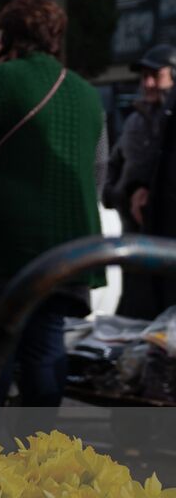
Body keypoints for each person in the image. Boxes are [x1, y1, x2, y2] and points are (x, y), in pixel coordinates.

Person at [0, 0, 106, 406]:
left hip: (3, 243)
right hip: (67, 250)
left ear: (8, 36)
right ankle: (40, 458)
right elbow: (97, 168)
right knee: (46, 349)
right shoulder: (88, 95)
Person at [105, 45, 176, 318]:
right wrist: (118, 193)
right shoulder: (135, 120)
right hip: (134, 230)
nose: (147, 84)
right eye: (143, 76)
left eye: (155, 75)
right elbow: (113, 163)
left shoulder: (169, 119)